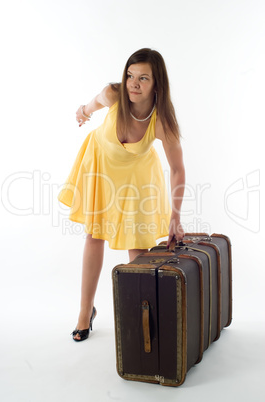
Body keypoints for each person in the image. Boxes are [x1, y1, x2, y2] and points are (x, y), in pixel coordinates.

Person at [58, 48, 185, 341]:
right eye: (130, 75)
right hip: (101, 167)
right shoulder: (114, 94)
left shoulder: (162, 121)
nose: (133, 84)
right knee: (94, 235)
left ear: (157, 85)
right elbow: (91, 105)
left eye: (143, 78)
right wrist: (83, 112)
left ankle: (142, 321)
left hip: (135, 180)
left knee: (137, 249)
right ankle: (84, 312)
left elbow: (177, 169)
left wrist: (174, 217)